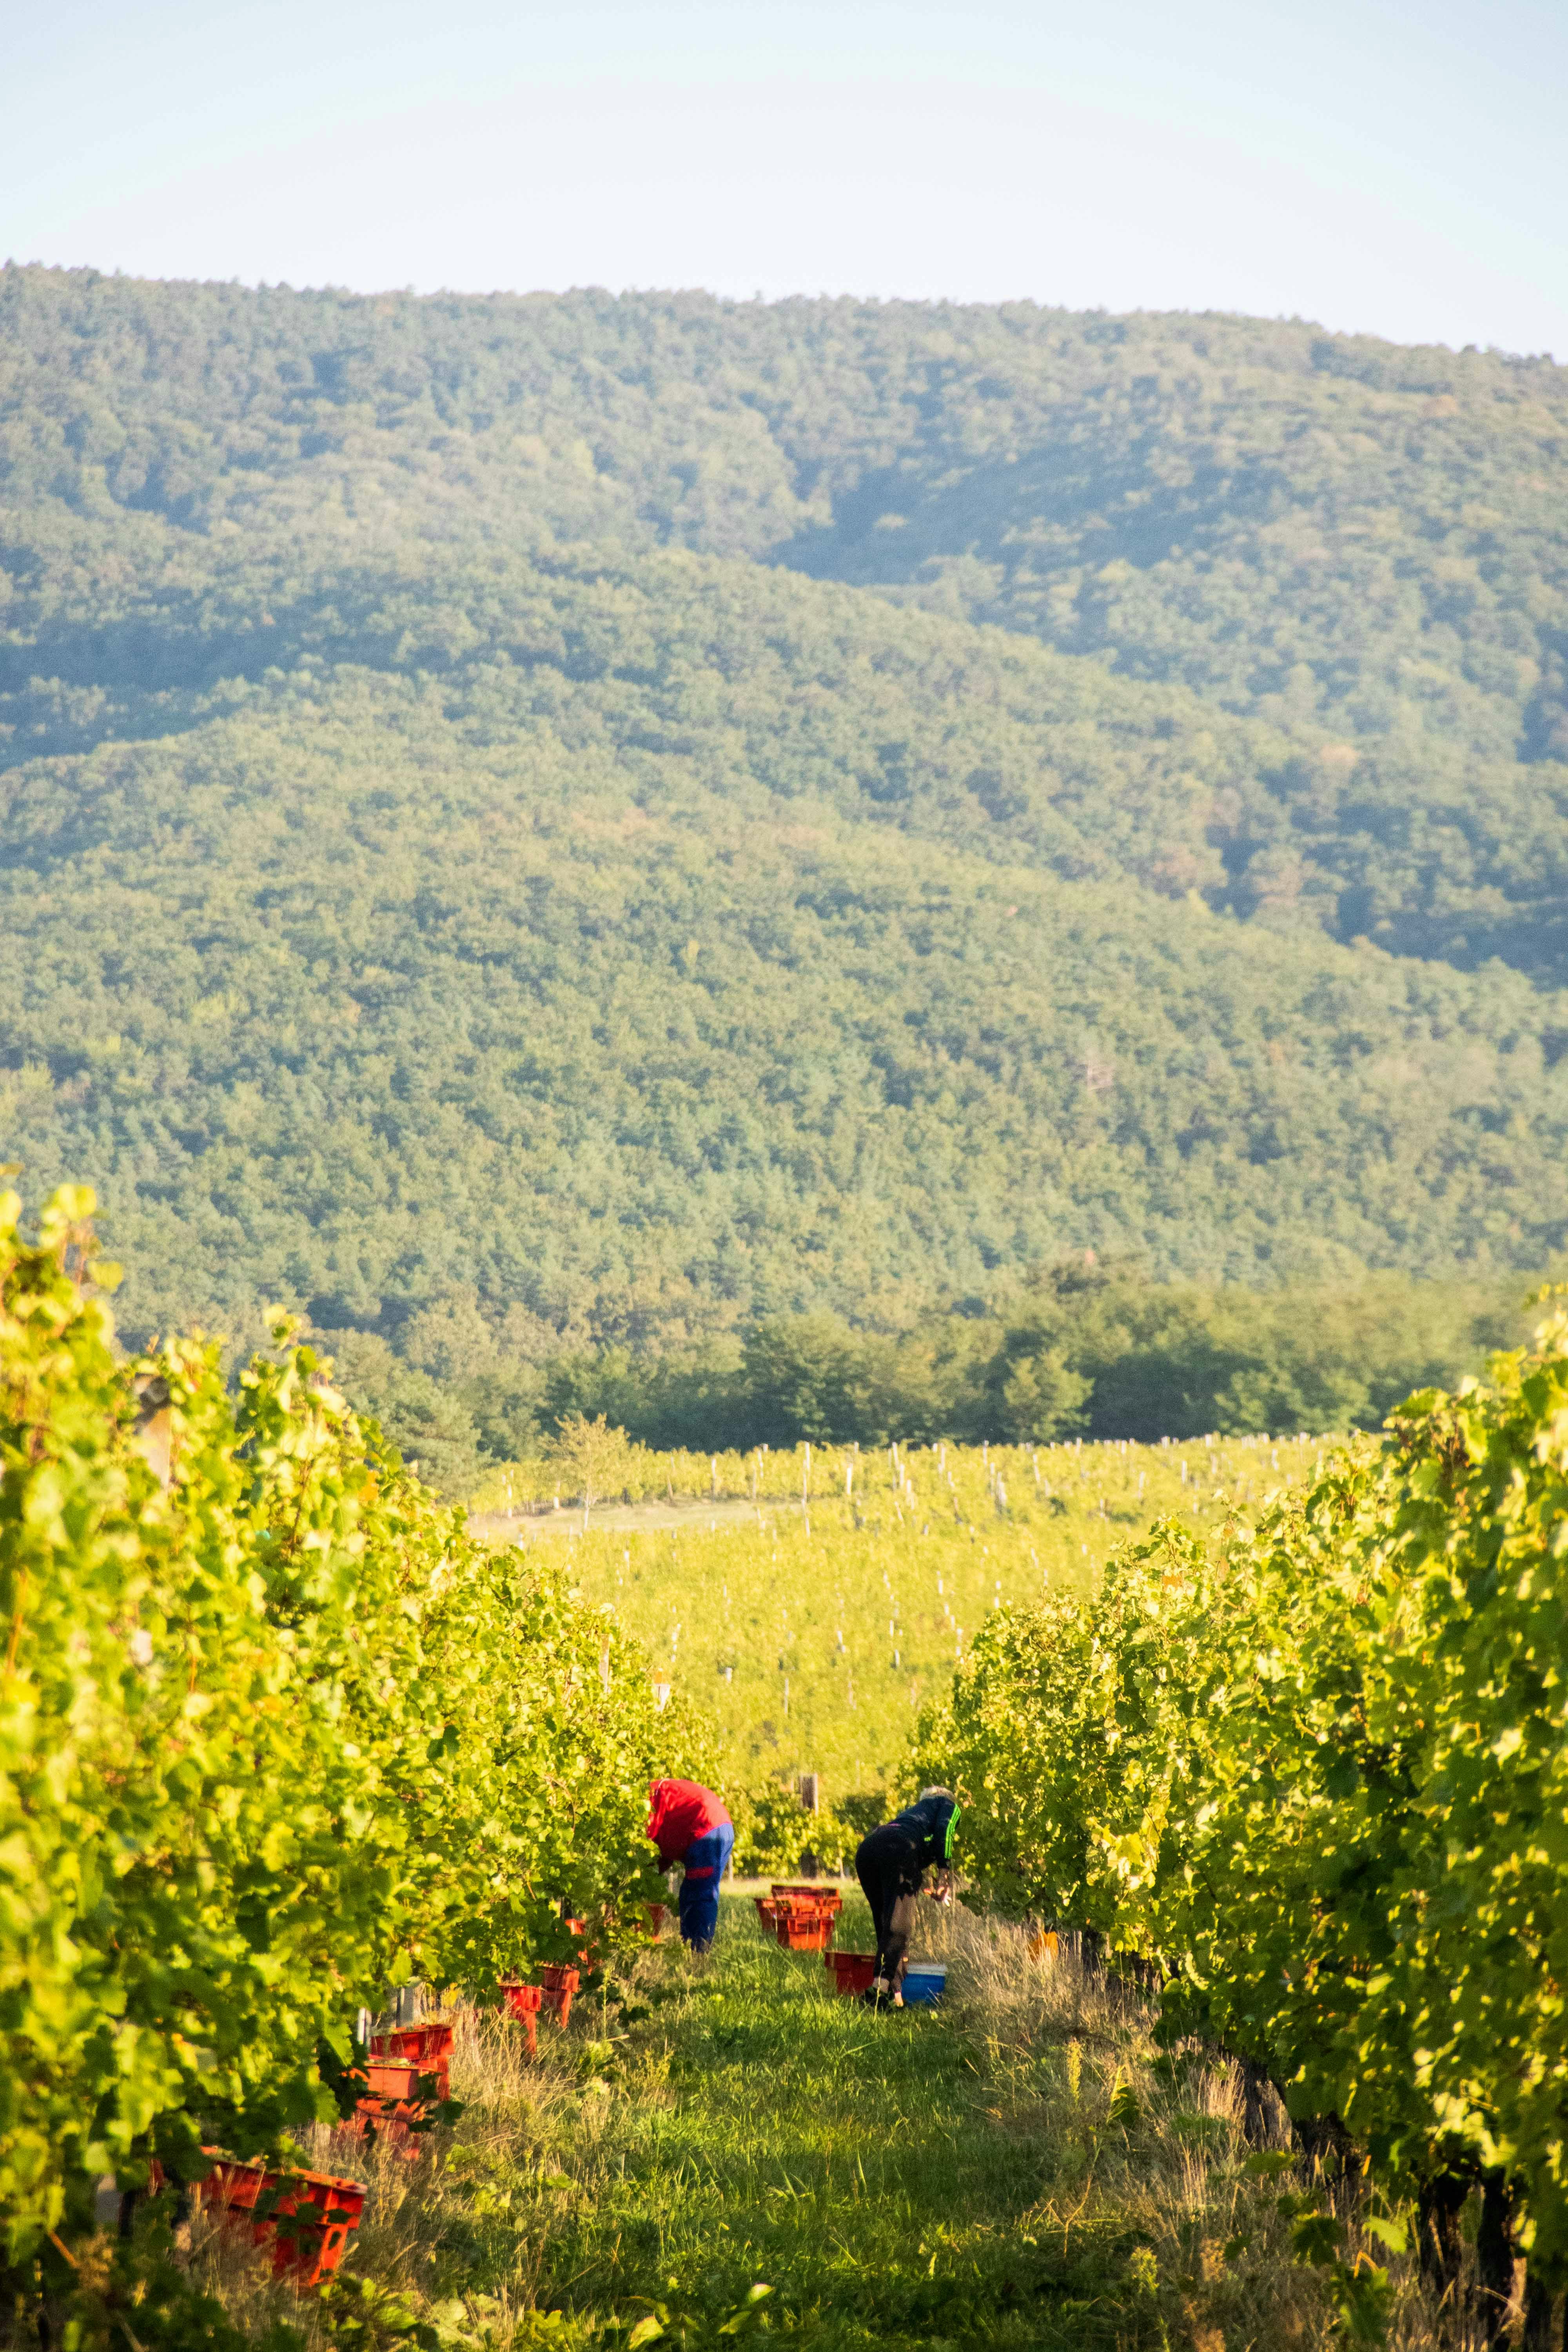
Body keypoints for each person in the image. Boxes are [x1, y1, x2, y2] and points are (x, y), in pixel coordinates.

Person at [854, 1787, 960, 2007]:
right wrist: (944, 1875)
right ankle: (878, 1992)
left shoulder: (912, 1814)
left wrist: (928, 1887)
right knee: (899, 1926)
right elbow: (945, 1829)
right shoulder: (947, 1805)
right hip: (899, 1849)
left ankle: (896, 1996)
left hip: (869, 1848)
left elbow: (914, 1857)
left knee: (886, 1923)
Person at [647, 1777, 735, 1952]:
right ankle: (688, 1947)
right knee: (689, 1892)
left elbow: (649, 1841)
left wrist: (644, 1875)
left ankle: (700, 1952)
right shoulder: (657, 1792)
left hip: (707, 1828)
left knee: (702, 1893)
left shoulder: (647, 1800)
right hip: (716, 1825)